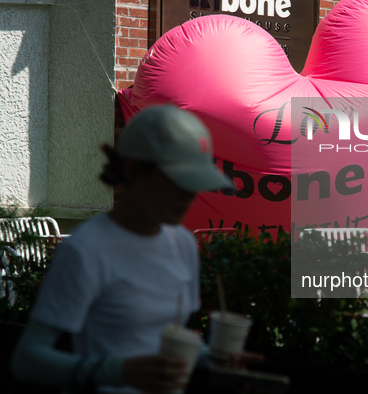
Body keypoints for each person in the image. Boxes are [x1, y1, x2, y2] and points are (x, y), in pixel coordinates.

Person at [11, 104, 239, 394]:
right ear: (133, 171)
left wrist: (215, 360)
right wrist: (118, 372)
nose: (188, 196)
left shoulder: (182, 244)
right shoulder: (86, 250)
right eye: (178, 182)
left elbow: (161, 345)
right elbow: (27, 360)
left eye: (194, 184)